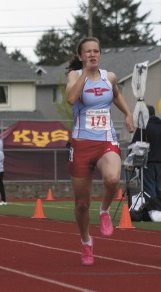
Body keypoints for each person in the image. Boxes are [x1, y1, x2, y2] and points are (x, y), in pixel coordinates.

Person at [65, 37, 134, 266]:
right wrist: (84, 72)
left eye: (96, 51)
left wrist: (127, 113)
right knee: (82, 204)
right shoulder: (74, 76)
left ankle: (104, 210)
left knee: (113, 178)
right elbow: (71, 98)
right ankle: (86, 242)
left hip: (106, 140)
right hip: (81, 143)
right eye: (88, 52)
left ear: (100, 54)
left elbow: (115, 95)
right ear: (82, 56)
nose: (93, 55)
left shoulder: (109, 77)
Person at [131, 105, 161, 200]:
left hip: (148, 164)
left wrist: (131, 161)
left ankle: (152, 211)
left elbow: (135, 146)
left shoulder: (143, 127)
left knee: (149, 191)